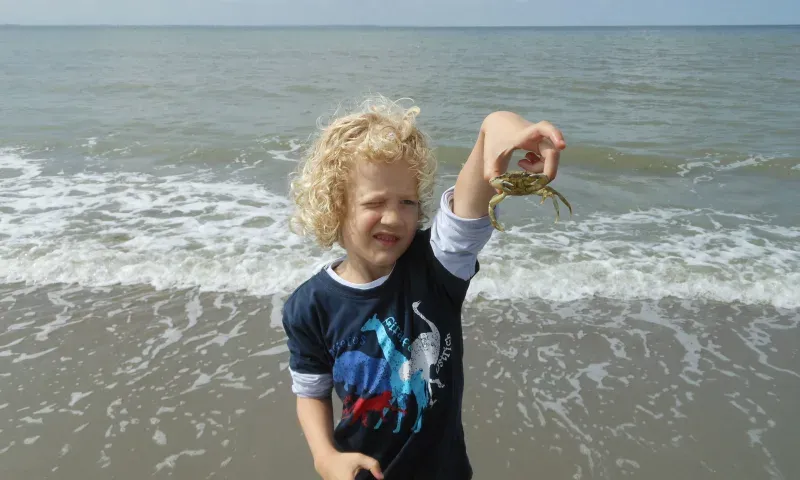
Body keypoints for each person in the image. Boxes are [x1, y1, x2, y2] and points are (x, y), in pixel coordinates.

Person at [282, 95, 566, 480]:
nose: (394, 217)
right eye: (375, 202)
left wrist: (498, 125)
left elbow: (469, 204)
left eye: (408, 201)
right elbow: (311, 389)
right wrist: (324, 456)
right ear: (336, 206)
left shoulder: (436, 268)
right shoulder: (309, 305)